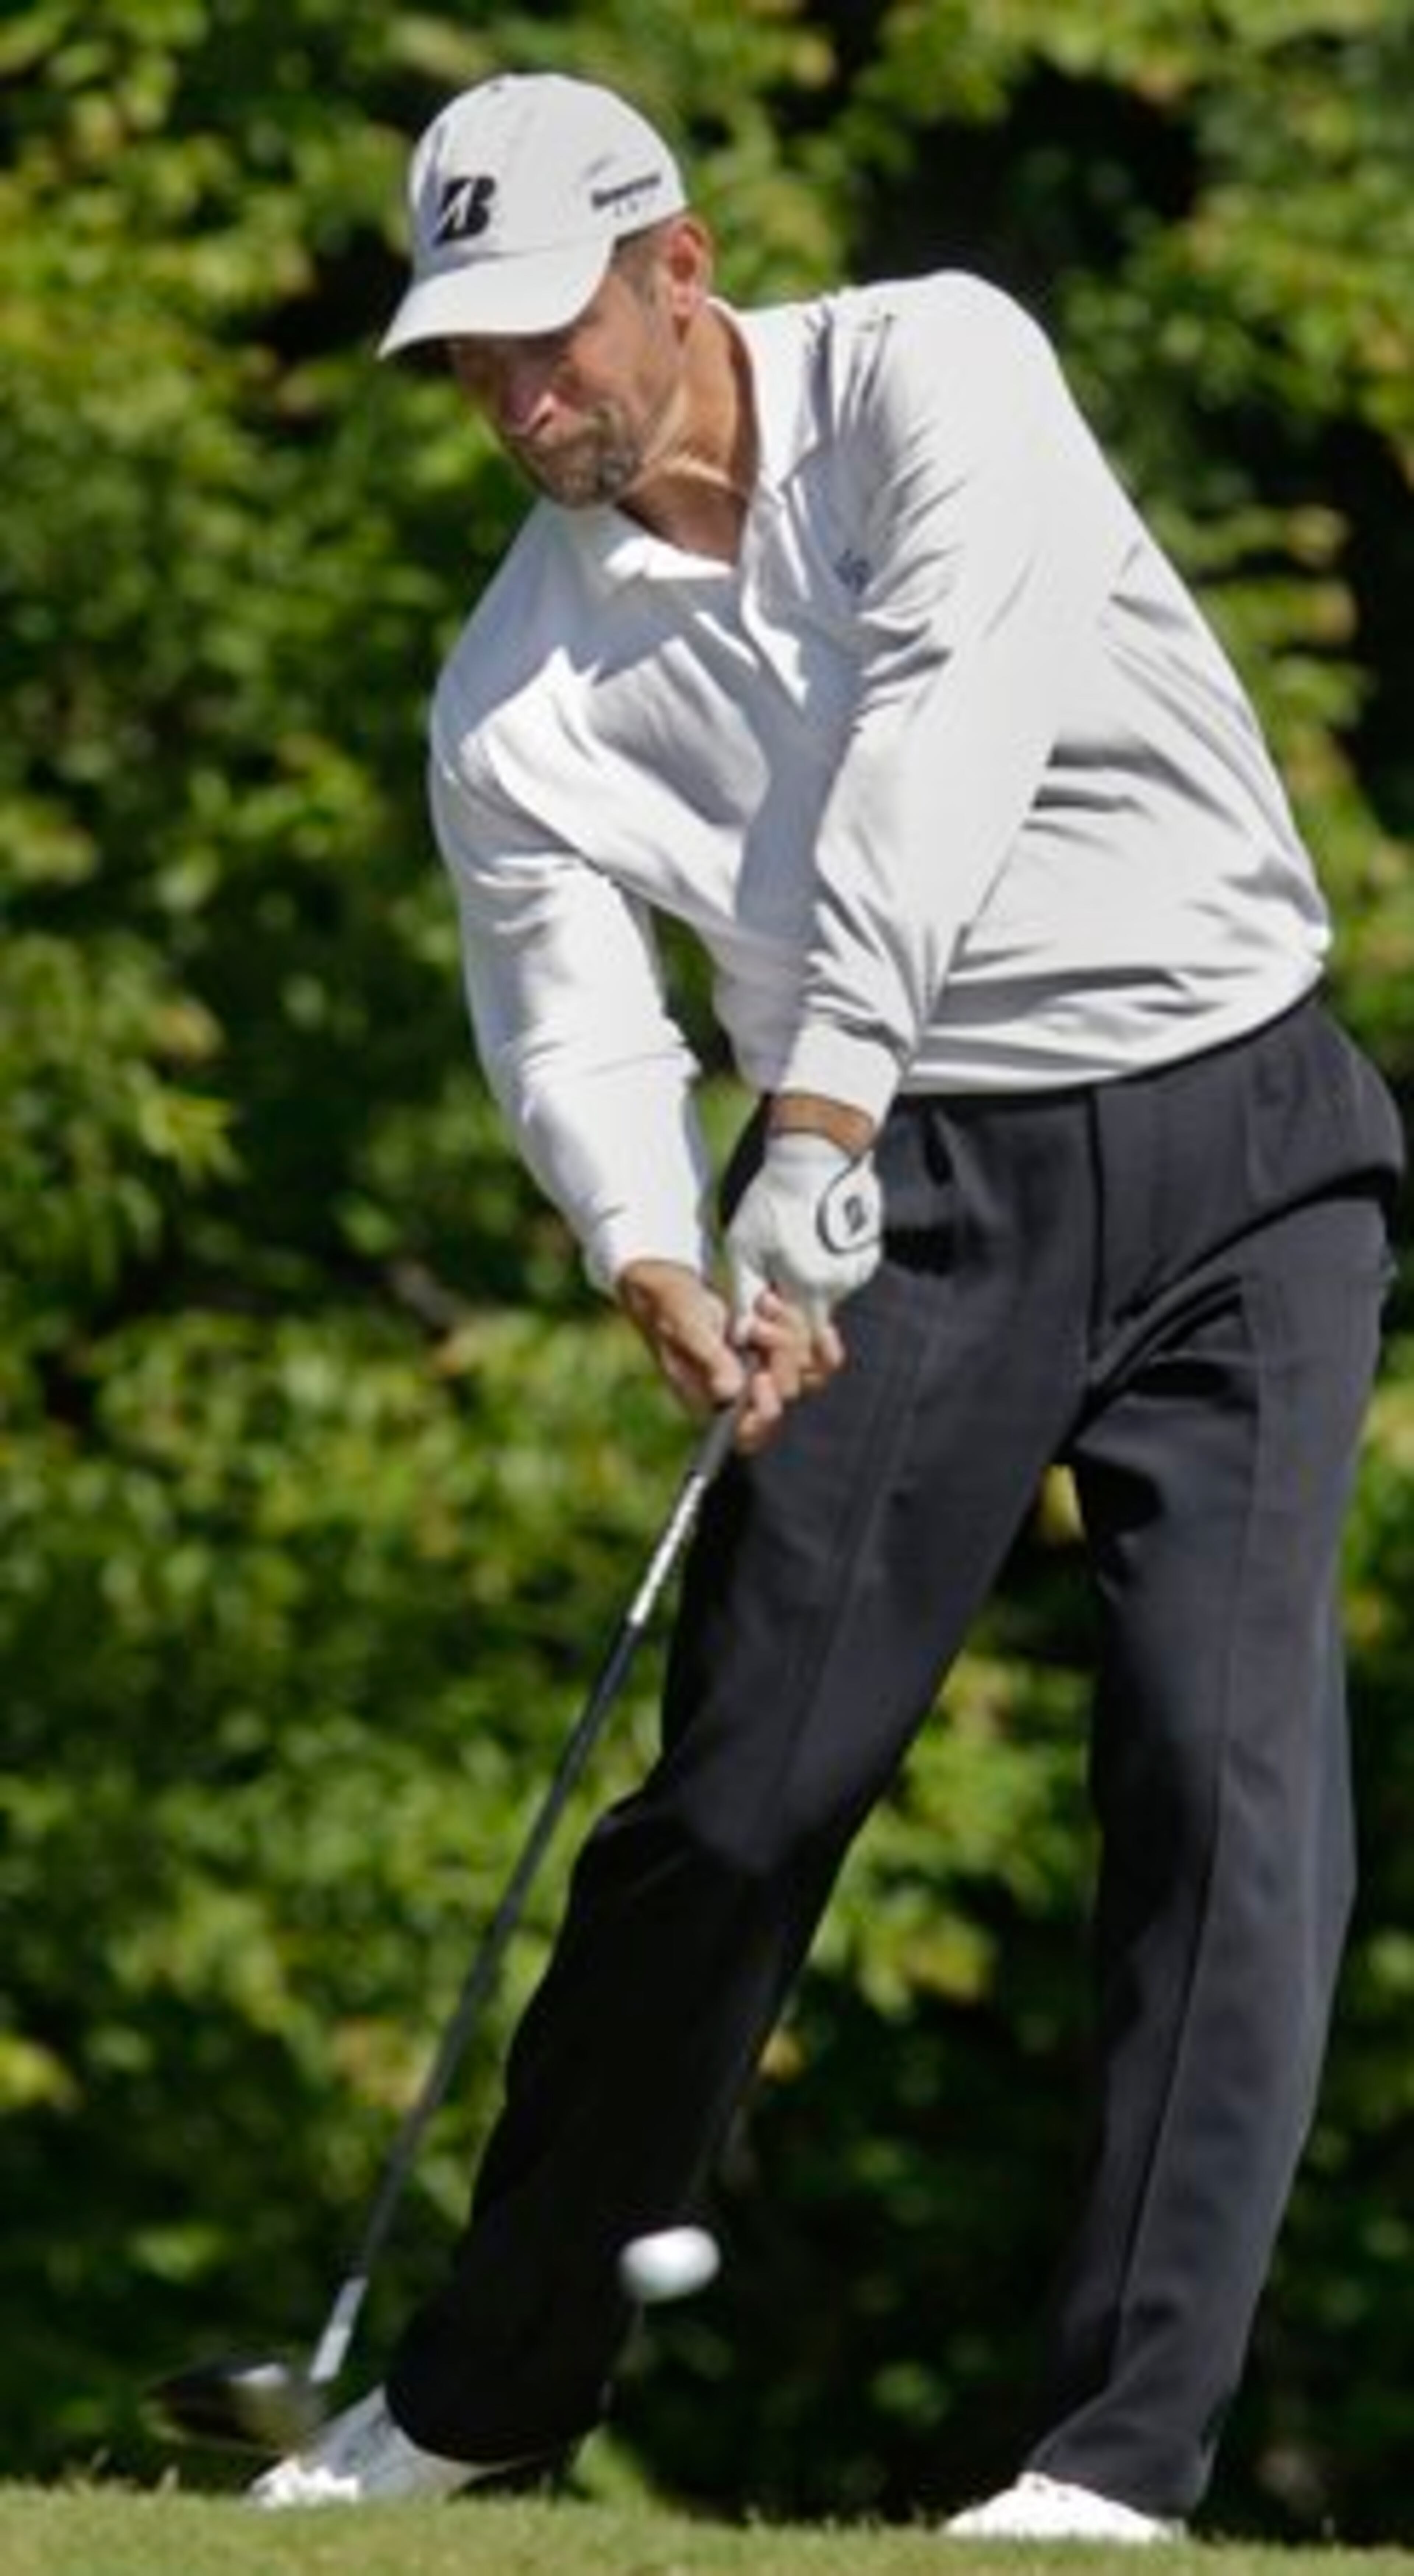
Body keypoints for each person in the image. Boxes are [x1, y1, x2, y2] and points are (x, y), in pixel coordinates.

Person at [251, 69, 1405, 2534]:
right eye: (471, 360)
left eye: (551, 335)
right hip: (900, 1197)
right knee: (744, 1795)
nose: (518, 400)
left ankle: (1114, 2459)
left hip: (1234, 1134)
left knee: (1222, 1774)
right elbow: (568, 1016)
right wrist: (650, 1246)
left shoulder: (944, 367)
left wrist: (807, 1125)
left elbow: (935, 742)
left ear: (680, 268)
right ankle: (483, 2390)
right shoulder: (515, 694)